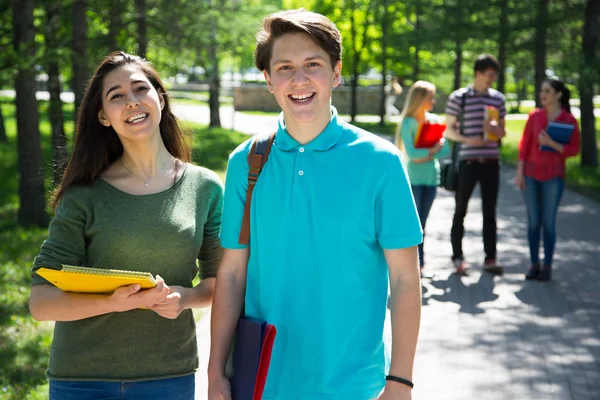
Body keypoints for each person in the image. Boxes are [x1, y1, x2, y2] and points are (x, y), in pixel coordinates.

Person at [208, 9, 423, 400]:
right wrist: (215, 371)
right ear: (269, 79)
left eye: (313, 65)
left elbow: (406, 279)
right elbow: (233, 274)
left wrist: (401, 380)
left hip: (355, 384)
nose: (300, 79)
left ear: (336, 73)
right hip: (261, 380)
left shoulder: (382, 161)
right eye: (285, 67)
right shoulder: (246, 162)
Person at [28, 51, 223, 400]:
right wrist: (116, 302)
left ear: (160, 98)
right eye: (116, 96)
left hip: (168, 376)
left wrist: (186, 297)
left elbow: (221, 283)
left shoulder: (204, 188)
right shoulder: (84, 196)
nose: (132, 101)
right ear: (104, 116)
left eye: (139, 89)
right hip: (82, 380)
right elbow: (41, 302)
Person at [444, 54, 507, 276]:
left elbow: (503, 131)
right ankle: (458, 257)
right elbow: (449, 130)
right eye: (490, 75)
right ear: (478, 73)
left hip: (491, 162)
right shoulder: (458, 98)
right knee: (460, 210)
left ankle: (490, 258)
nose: (492, 79)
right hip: (467, 163)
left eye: (494, 76)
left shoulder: (498, 99)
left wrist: (494, 128)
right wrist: (468, 140)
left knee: (490, 212)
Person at [515, 77, 580, 281]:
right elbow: (524, 146)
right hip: (531, 175)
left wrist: (552, 143)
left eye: (547, 91)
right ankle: (534, 264)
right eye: (541, 91)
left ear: (558, 94)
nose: (543, 95)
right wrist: (519, 172)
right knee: (534, 222)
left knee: (549, 222)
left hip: (553, 176)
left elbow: (574, 149)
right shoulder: (534, 117)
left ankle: (547, 266)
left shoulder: (569, 120)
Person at [394, 81, 450, 278]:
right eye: (430, 97)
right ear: (419, 99)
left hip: (431, 179)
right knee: (415, 225)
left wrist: (428, 153)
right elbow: (412, 153)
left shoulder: (433, 120)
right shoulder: (408, 122)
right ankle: (413, 266)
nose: (433, 101)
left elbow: (447, 149)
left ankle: (421, 264)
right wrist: (432, 151)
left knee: (424, 223)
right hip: (414, 180)